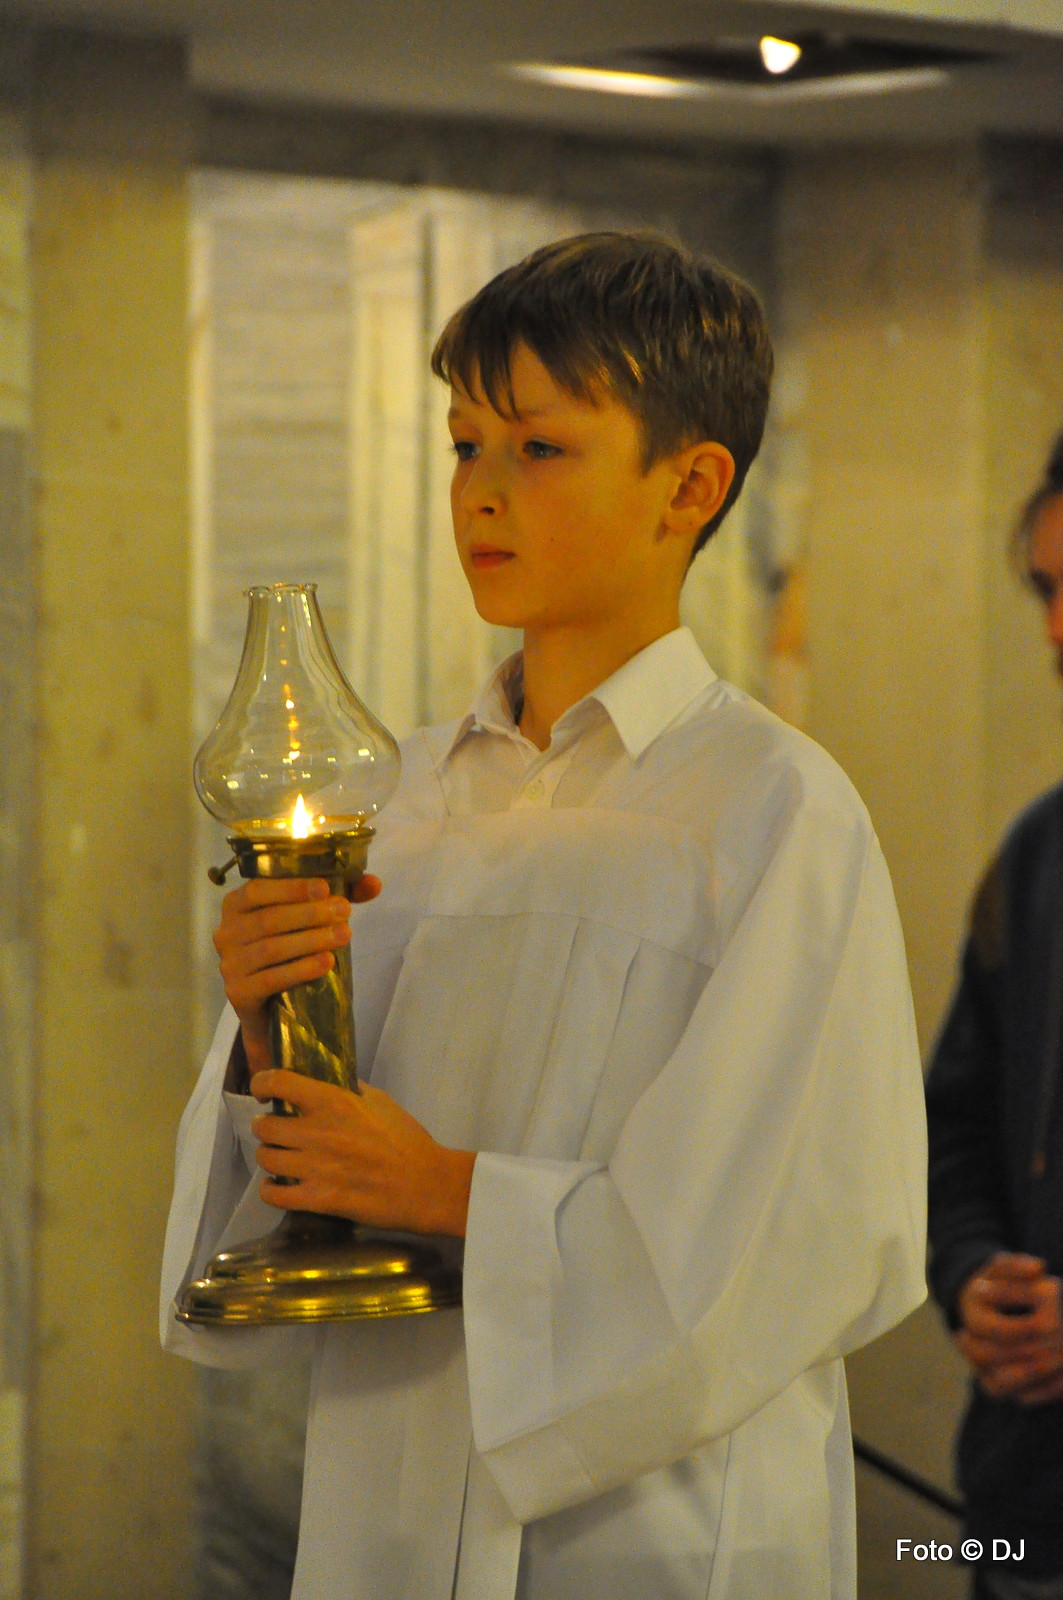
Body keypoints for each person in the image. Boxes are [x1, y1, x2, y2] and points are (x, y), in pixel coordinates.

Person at [161, 231, 927, 1600]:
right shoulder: (395, 798)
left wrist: (444, 1190)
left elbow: (799, 1230)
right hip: (391, 1484)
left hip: (650, 1528)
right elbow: (299, 1198)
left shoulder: (771, 811)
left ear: (689, 485)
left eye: (540, 448)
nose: (481, 491)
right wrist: (270, 1034)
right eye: (464, 445)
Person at [926, 434, 1063, 1600]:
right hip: (1025, 1514)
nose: (1057, 628)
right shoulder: (1037, 856)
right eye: (1046, 590)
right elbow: (956, 1122)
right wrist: (972, 1273)